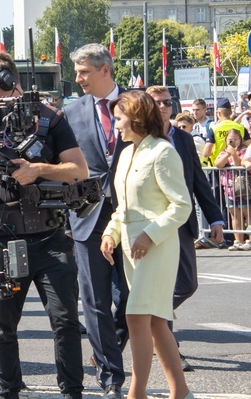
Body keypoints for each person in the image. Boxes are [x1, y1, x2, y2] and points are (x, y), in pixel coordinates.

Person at [0, 52, 89, 399]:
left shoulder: (48, 117)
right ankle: (9, 391)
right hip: (3, 240)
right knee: (3, 328)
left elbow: (79, 171)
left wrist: (37, 169)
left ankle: (72, 391)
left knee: (65, 321)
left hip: (50, 236)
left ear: (8, 83)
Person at [101, 90, 193, 399]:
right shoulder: (127, 153)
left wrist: (149, 234)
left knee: (136, 317)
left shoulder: (162, 152)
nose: (115, 126)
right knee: (153, 322)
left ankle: (135, 394)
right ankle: (180, 392)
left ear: (136, 118)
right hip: (132, 249)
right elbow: (124, 206)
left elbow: (181, 206)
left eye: (119, 119)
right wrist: (110, 234)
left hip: (156, 246)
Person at [64, 44, 129, 399]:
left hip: (132, 216)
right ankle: (111, 378)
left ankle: (110, 348)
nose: (78, 78)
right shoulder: (71, 113)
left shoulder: (137, 104)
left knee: (133, 300)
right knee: (95, 300)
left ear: (105, 69)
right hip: (87, 217)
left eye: (84, 71)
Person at [147, 86, 225, 370]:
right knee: (161, 286)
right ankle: (167, 348)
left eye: (168, 102)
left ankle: (145, 319)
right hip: (151, 226)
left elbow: (198, 182)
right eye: (157, 102)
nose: (164, 107)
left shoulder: (182, 138)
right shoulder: (138, 138)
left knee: (186, 285)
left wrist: (215, 218)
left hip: (181, 224)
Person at [217, 129, 251, 250]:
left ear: (240, 140)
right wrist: (228, 153)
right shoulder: (224, 151)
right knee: (234, 215)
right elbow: (218, 164)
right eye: (230, 139)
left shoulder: (244, 151)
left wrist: (234, 154)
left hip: (244, 187)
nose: (232, 141)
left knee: (247, 213)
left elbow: (239, 164)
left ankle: (249, 240)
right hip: (230, 188)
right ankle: (238, 241)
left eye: (235, 139)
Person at [203, 99, 249, 165]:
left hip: (218, 168)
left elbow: (206, 153)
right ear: (231, 113)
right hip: (238, 166)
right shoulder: (241, 128)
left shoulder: (214, 129)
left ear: (218, 113)